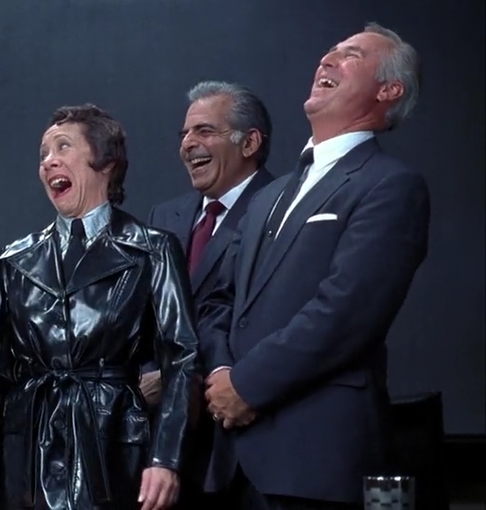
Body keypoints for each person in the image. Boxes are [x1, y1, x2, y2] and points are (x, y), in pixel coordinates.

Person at [199, 23, 430, 509]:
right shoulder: (268, 195)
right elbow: (220, 299)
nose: (327, 59)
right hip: (232, 465)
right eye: (329, 51)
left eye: (351, 55)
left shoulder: (390, 186)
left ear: (389, 90)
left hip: (317, 462)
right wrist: (220, 372)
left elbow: (346, 312)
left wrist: (246, 386)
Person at [0, 104, 198, 510]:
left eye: (63, 147)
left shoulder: (152, 250)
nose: (48, 161)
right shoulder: (15, 260)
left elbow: (182, 358)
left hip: (112, 445)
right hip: (27, 451)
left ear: (105, 161)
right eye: (43, 154)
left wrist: (166, 458)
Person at [142, 81, 276, 505]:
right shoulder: (165, 216)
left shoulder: (280, 208)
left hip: (245, 435)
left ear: (250, 142)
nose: (187, 144)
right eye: (184, 133)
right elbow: (146, 315)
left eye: (204, 131)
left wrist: (185, 377)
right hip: (172, 444)